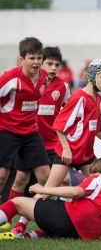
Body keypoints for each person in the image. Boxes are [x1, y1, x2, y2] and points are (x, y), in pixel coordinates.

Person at [9, 59, 101, 235]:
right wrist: (67, 149)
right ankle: (19, 225)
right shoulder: (78, 98)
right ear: (92, 76)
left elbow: (97, 128)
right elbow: (59, 126)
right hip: (68, 154)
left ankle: (96, 225)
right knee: (46, 191)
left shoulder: (99, 100)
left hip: (86, 155)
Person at [6, 47, 71, 226]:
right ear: (39, 64)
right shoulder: (30, 83)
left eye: (57, 65)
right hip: (30, 140)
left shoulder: (63, 87)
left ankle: (67, 218)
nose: (53, 68)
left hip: (54, 143)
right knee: (20, 179)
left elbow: (70, 112)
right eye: (49, 63)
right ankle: (8, 219)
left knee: (62, 180)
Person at [0, 156, 101, 241]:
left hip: (68, 219)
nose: (91, 176)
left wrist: (42, 189)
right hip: (83, 236)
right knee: (49, 232)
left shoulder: (100, 179)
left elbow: (75, 192)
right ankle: (23, 236)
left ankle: (19, 230)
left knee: (17, 203)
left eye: (94, 172)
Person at [0, 37, 50, 210]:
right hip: (7, 130)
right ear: (21, 59)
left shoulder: (43, 77)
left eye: (39, 58)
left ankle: (47, 218)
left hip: (31, 132)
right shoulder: (9, 78)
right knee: (1, 176)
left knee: (46, 178)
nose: (36, 62)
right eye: (32, 58)